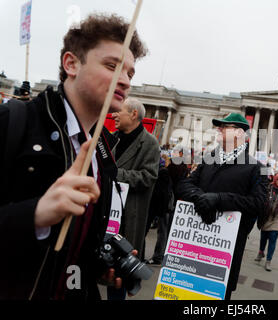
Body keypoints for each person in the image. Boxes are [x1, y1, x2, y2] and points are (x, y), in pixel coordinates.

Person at [0, 13, 147, 300]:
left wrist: (97, 267)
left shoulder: (103, 150)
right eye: (112, 66)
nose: (126, 81)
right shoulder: (11, 122)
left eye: (130, 73)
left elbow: (74, 254)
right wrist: (36, 215)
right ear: (72, 64)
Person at [176, 113, 268, 300]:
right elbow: (184, 186)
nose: (219, 129)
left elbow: (259, 203)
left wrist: (219, 199)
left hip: (225, 251)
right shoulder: (209, 158)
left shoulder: (257, 167)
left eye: (225, 126)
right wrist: (202, 198)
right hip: (194, 243)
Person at [108, 97, 159, 300]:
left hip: (128, 217)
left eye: (119, 111)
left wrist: (115, 174)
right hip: (106, 213)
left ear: (133, 114)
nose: (114, 115)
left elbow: (148, 177)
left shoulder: (150, 143)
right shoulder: (111, 137)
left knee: (119, 274)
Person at [255, 173, 278, 271]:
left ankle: (268, 261)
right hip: (265, 217)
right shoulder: (268, 189)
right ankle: (261, 252)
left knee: (272, 240)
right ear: (275, 179)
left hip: (276, 219)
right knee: (263, 238)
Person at [146, 154, 174, 265]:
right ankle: (159, 256)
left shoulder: (163, 172)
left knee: (162, 232)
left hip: (164, 208)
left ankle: (158, 257)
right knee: (163, 232)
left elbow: (162, 193)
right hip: (165, 207)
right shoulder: (166, 171)